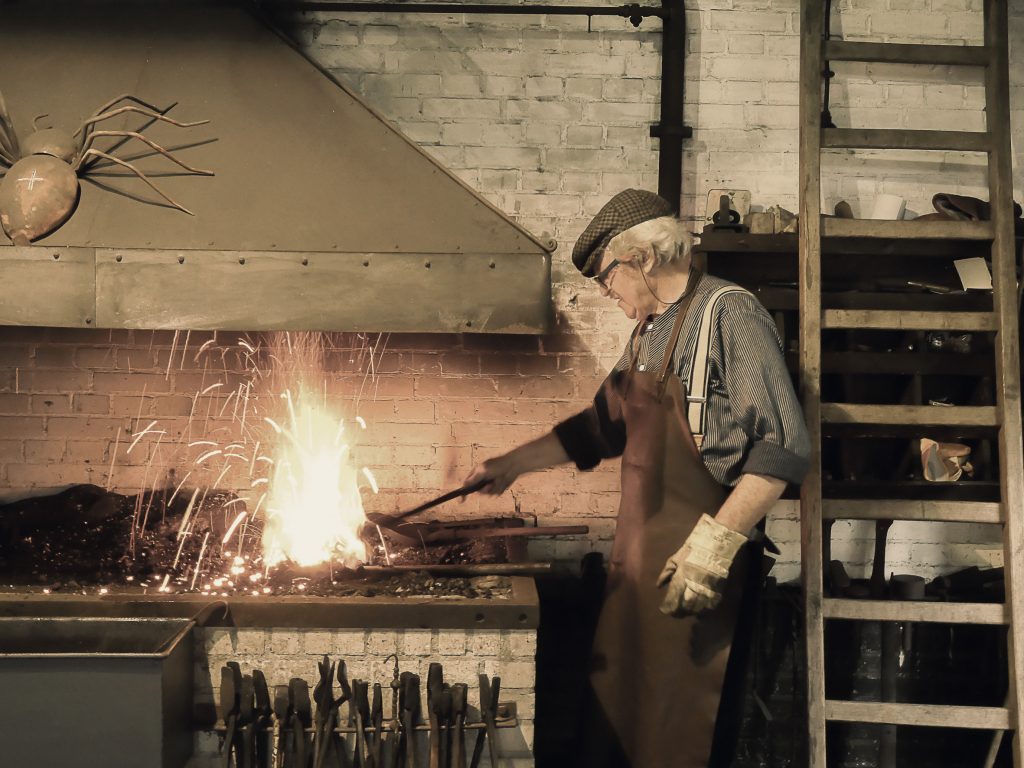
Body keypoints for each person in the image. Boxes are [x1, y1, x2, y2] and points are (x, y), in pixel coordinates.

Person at [465, 188, 810, 768]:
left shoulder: (730, 315)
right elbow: (601, 427)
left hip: (699, 578)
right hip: (639, 577)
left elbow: (782, 447)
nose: (606, 292)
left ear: (643, 258)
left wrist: (713, 548)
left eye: (607, 277)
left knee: (681, 739)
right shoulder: (650, 335)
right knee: (622, 734)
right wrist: (511, 464)